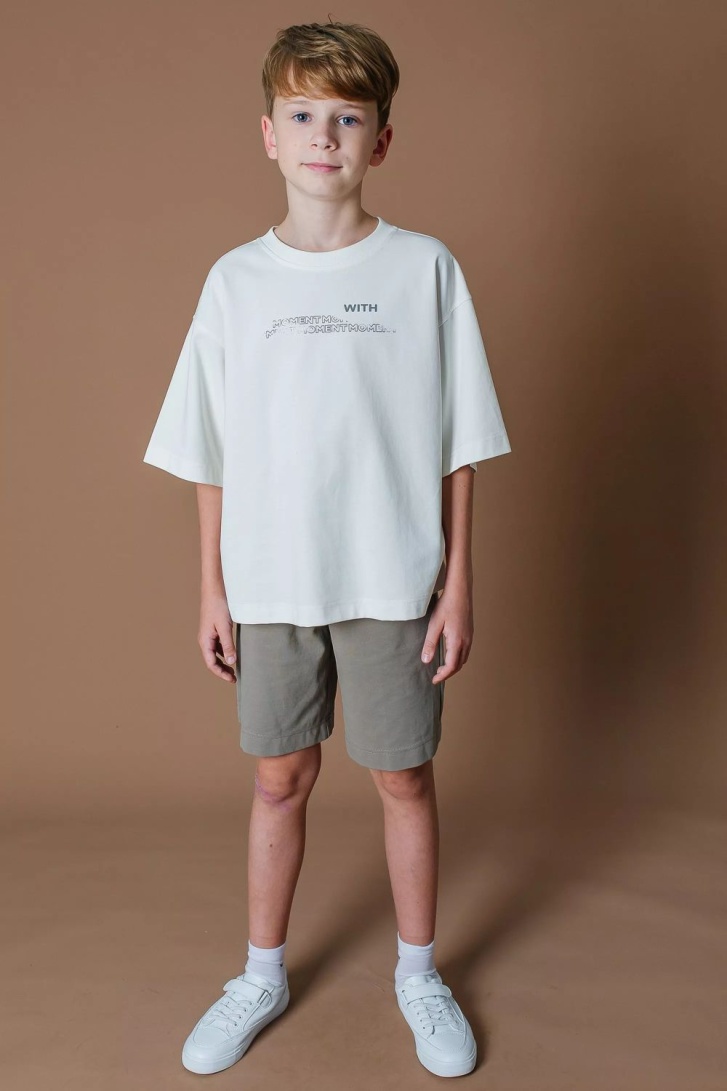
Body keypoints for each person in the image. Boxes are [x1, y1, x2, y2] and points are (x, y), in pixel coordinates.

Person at [142, 19, 511, 1080]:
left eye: (348, 119)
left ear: (379, 141)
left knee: (403, 777)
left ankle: (418, 973)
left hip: (394, 577)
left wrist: (457, 583)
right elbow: (208, 451)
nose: (323, 136)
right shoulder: (235, 282)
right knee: (278, 778)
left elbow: (460, 443)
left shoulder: (423, 270)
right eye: (302, 114)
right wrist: (211, 587)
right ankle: (260, 973)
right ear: (269, 133)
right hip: (270, 580)